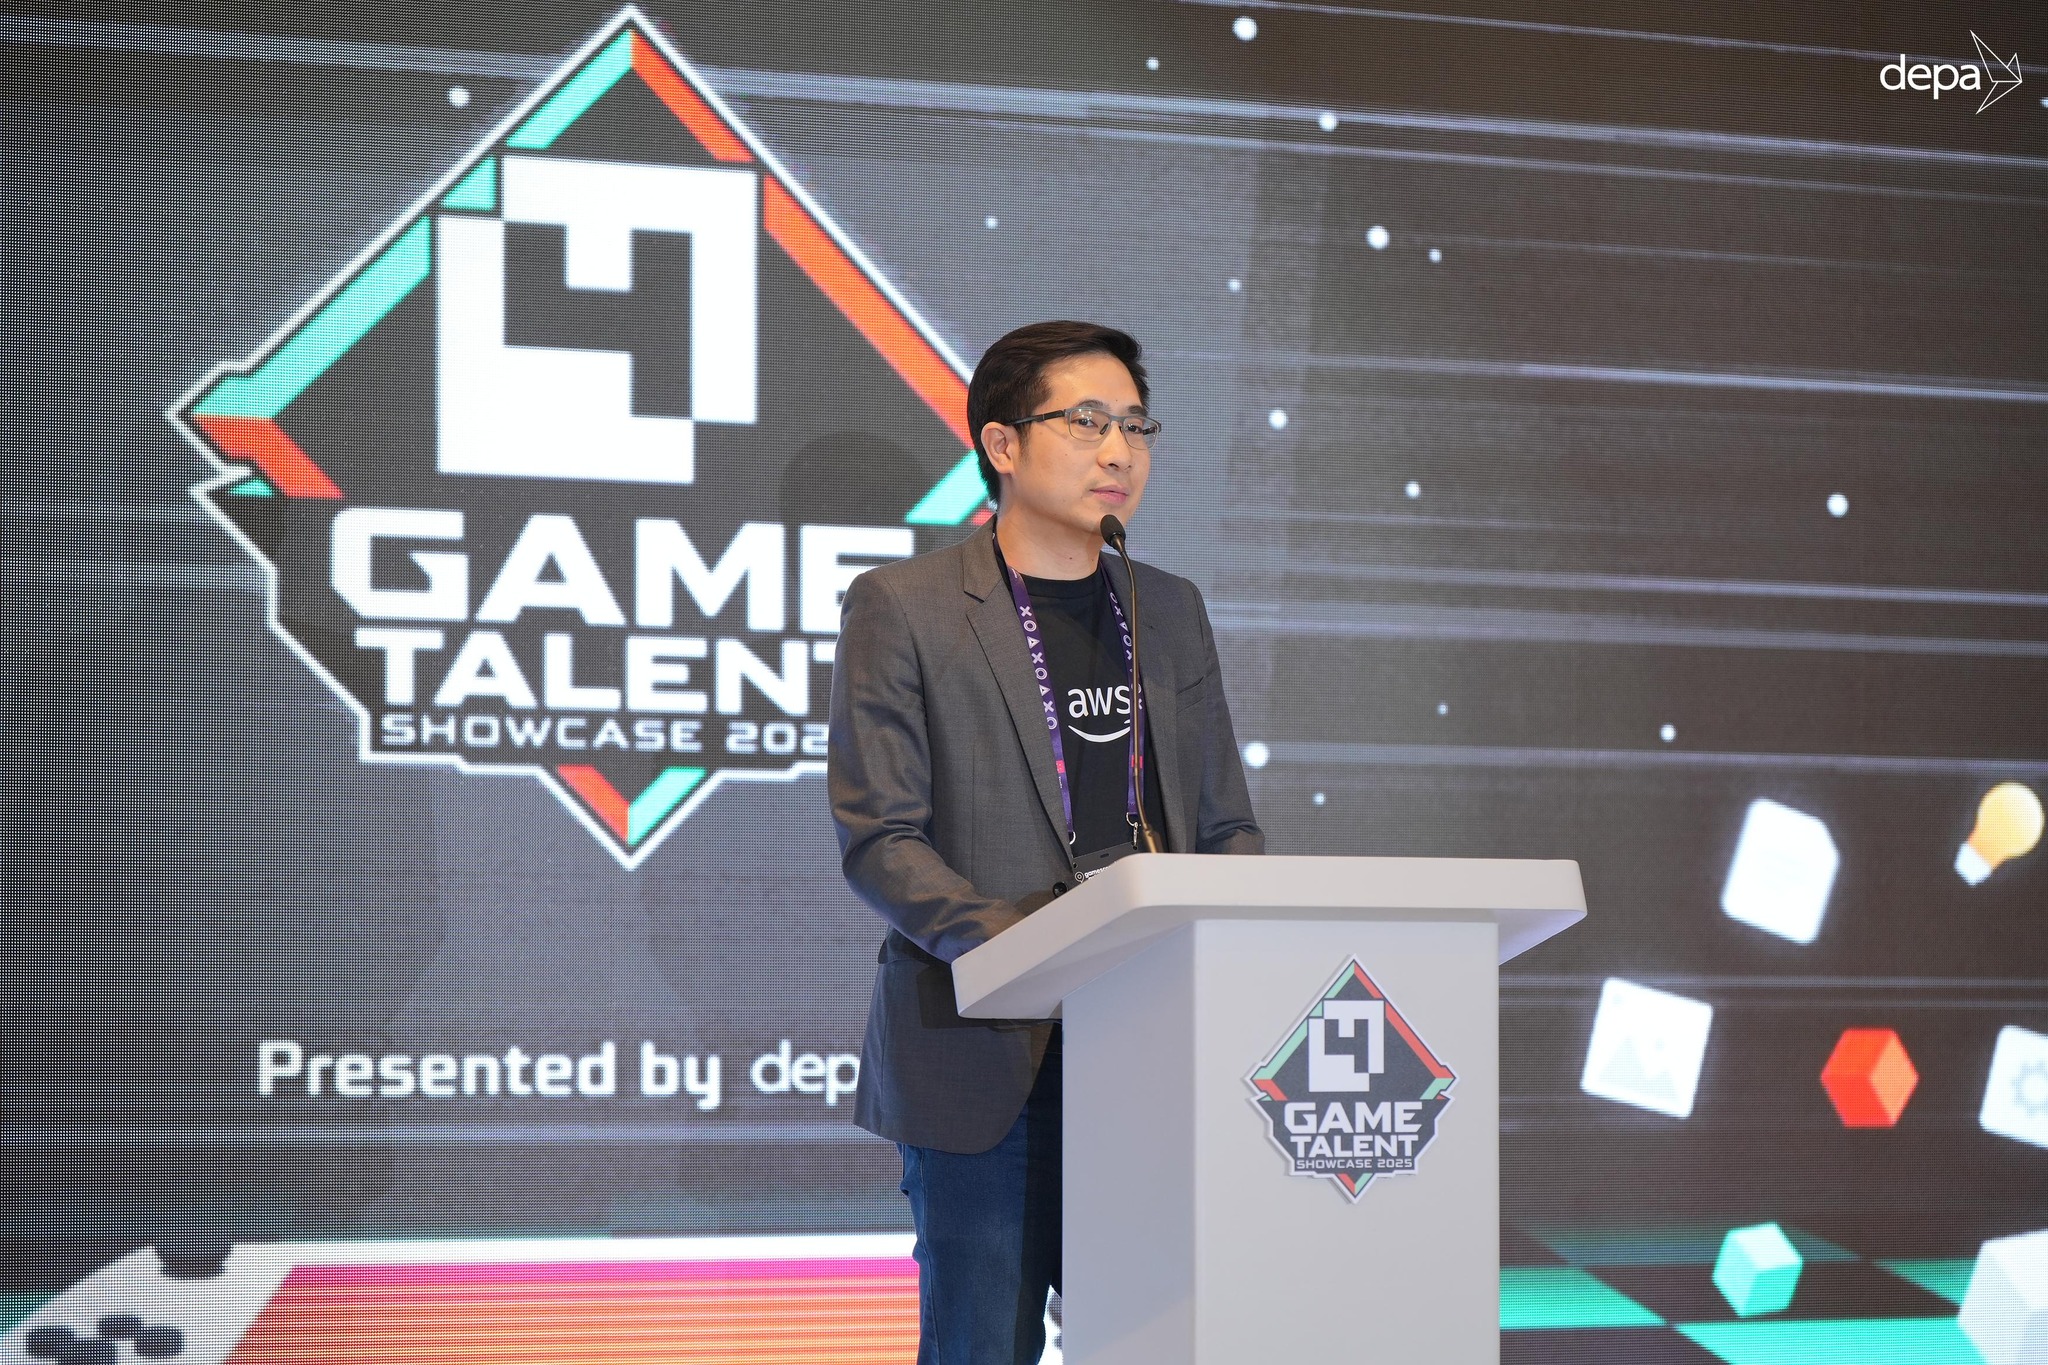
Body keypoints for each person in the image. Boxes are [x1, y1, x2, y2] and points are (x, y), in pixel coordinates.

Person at [828, 320, 1264, 1364]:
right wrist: (1030, 951)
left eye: (1135, 427)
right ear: (1002, 443)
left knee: (1160, 1340)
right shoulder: (904, 607)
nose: (1119, 451)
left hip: (1151, 1039)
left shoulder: (1167, 610)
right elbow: (881, 836)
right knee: (984, 1345)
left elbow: (1224, 824)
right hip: (986, 1051)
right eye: (1086, 422)